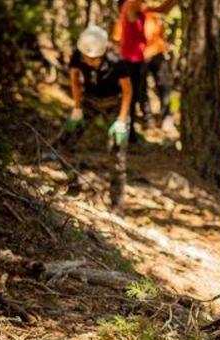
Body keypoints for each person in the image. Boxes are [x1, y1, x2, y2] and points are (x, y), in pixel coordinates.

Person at [64, 25, 133, 212]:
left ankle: (117, 204)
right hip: (90, 101)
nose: (89, 61)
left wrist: (121, 120)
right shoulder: (77, 56)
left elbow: (127, 91)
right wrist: (77, 108)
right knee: (67, 140)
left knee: (117, 153)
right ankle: (72, 186)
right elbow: (74, 79)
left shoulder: (117, 62)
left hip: (114, 104)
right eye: (87, 57)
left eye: (93, 58)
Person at [117, 0, 177, 140]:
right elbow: (160, 9)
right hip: (130, 60)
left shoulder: (138, 7)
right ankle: (128, 133)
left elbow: (162, 10)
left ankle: (130, 134)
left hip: (137, 59)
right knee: (131, 96)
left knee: (134, 96)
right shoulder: (132, 4)